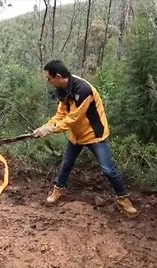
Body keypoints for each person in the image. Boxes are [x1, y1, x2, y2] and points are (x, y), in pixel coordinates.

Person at [33, 60, 137, 215]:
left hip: (94, 134)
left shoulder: (83, 90)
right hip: (76, 134)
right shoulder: (62, 88)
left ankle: (123, 198)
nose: (49, 82)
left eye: (49, 78)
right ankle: (58, 190)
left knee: (108, 169)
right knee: (66, 164)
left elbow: (74, 117)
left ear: (59, 76)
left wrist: (51, 129)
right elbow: (61, 114)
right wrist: (45, 126)